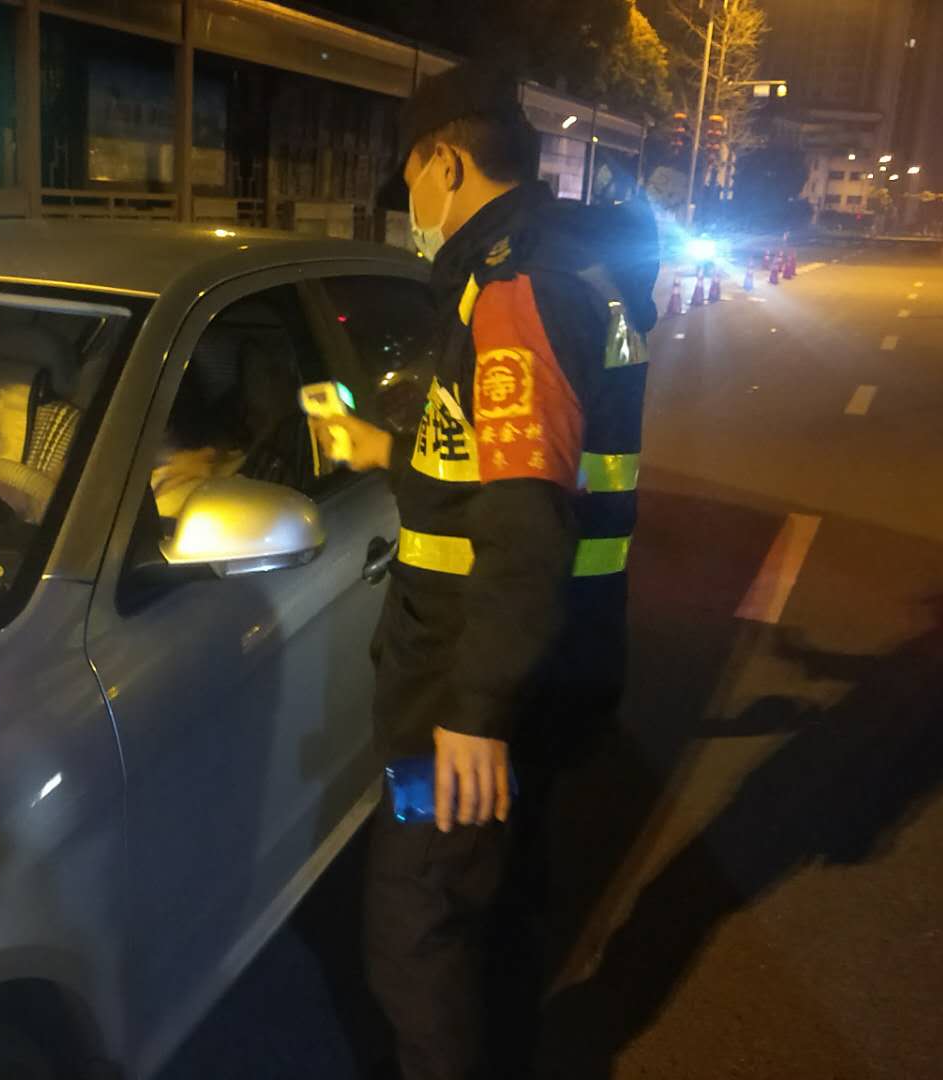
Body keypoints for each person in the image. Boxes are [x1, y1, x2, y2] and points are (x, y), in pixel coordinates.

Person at [311, 65, 657, 1079]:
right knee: (501, 915)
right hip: (550, 656)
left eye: (411, 179)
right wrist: (385, 450)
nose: (410, 205)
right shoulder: (566, 266)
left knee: (415, 936)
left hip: (465, 686)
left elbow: (524, 515)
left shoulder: (514, 288)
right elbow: (492, 466)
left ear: (449, 166)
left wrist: (475, 712)